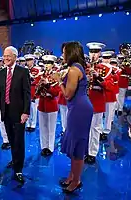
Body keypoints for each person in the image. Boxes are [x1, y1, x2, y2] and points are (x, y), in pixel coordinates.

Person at [52, 42, 93, 193]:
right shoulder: (76, 68)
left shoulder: (74, 70)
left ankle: (76, 181)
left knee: (78, 145)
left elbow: (68, 95)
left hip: (79, 109)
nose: (62, 55)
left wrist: (58, 80)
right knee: (74, 142)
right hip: (77, 107)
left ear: (70, 53)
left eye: (64, 52)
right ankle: (72, 175)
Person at [0, 46, 31, 183]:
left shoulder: (23, 72)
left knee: (19, 141)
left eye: (8, 56)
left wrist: (26, 112)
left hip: (19, 113)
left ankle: (19, 169)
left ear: (15, 57)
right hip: (6, 112)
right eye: (4, 56)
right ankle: (15, 159)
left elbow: (27, 94)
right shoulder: (1, 73)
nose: (6, 58)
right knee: (11, 139)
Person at [37, 55, 61, 156]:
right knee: (43, 127)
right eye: (46, 63)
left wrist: (47, 85)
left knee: (51, 128)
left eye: (49, 63)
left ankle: (50, 147)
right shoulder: (41, 75)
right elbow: (37, 91)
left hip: (51, 104)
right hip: (42, 104)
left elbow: (56, 92)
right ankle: (44, 146)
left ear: (52, 65)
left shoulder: (56, 76)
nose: (47, 65)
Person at [25, 54, 39, 132]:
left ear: (33, 61)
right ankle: (27, 124)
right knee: (27, 109)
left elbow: (36, 81)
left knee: (34, 110)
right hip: (26, 92)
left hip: (34, 92)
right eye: (27, 60)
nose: (28, 62)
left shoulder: (36, 70)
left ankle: (33, 125)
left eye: (30, 60)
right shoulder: (24, 69)